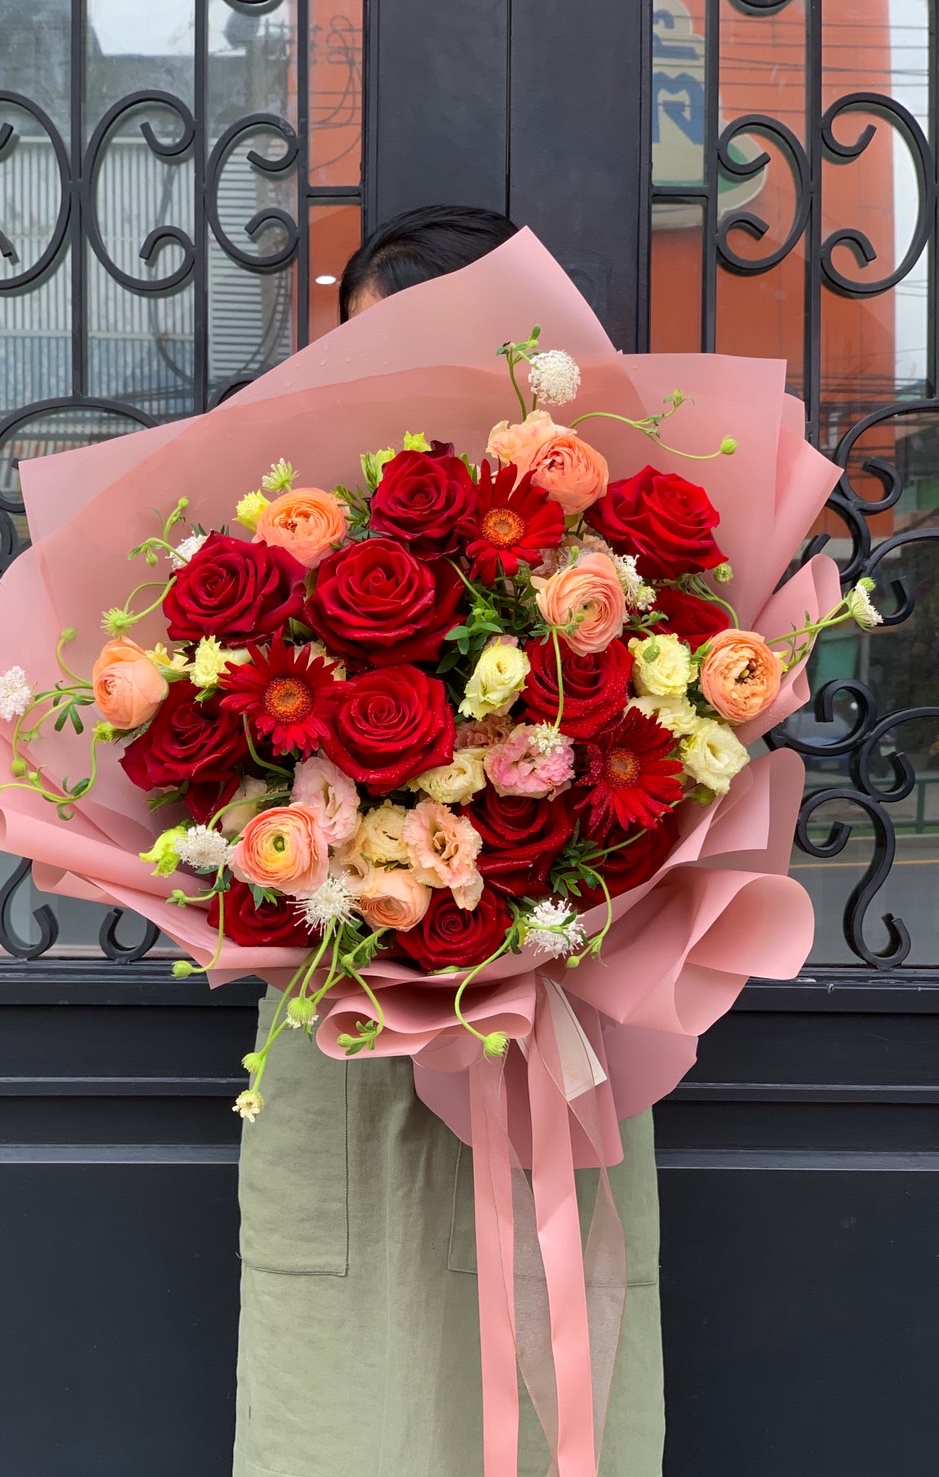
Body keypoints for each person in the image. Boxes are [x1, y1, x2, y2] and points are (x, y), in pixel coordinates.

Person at [232, 206, 665, 1477]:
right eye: (360, 349)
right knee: (343, 1385)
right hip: (345, 1012)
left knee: (548, 1356)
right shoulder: (291, 542)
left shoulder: (600, 553)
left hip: (545, 1021)